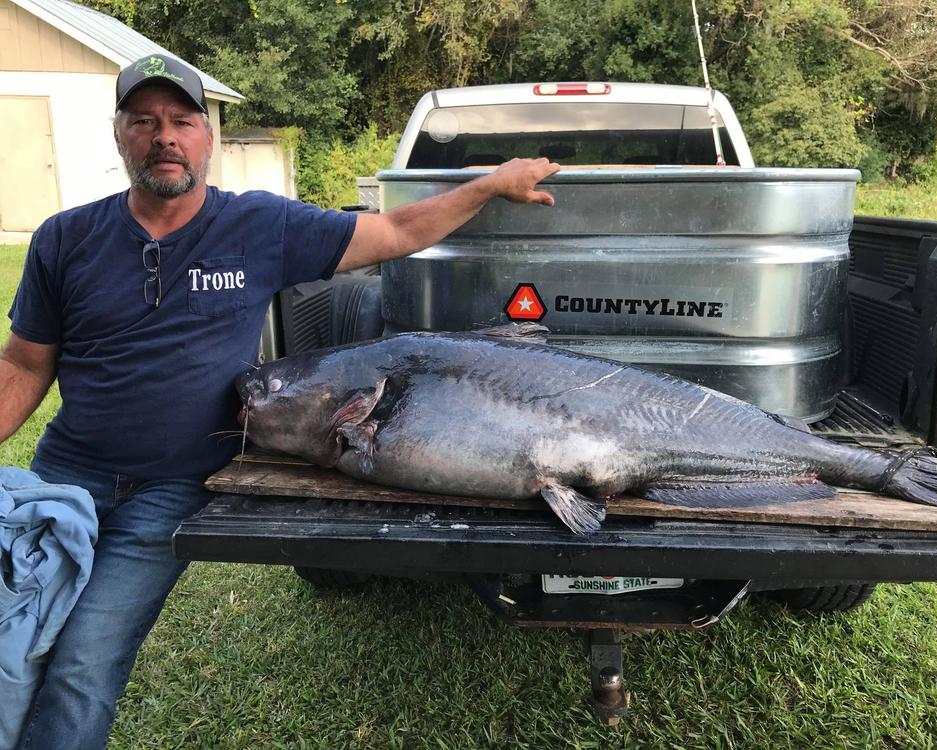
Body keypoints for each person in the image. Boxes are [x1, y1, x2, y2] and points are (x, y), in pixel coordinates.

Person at [0, 53, 559, 750]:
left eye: (180, 121)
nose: (163, 136)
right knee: (13, 641)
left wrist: (491, 185)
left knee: (85, 662)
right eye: (144, 121)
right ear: (120, 135)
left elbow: (395, 234)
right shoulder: (65, 239)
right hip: (64, 477)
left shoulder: (260, 226)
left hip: (171, 488)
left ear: (206, 137)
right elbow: (23, 364)